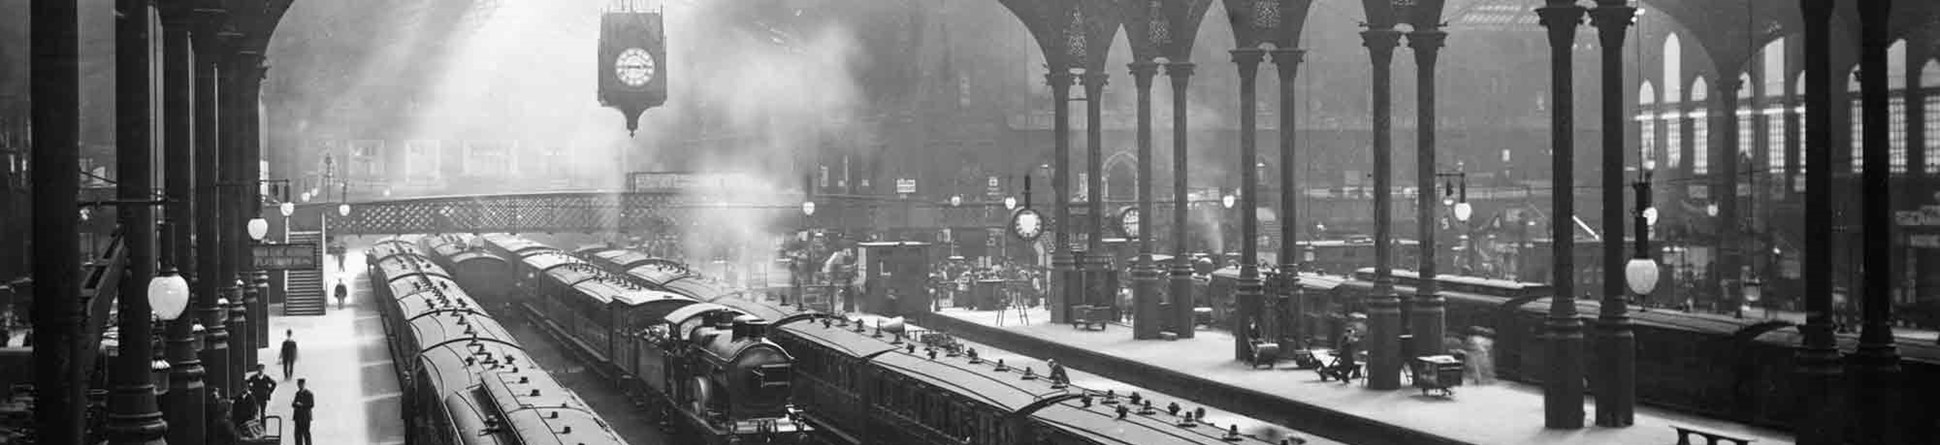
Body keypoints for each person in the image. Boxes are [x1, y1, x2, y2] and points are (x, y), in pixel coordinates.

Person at [292, 378, 315, 445]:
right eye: (298, 384)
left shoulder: (309, 394)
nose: (299, 386)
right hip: (297, 417)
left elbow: (311, 404)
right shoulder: (297, 393)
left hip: (305, 417)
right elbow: (293, 403)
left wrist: (301, 405)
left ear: (304, 384)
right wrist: (296, 404)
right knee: (297, 434)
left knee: (306, 433)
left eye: (301, 384)